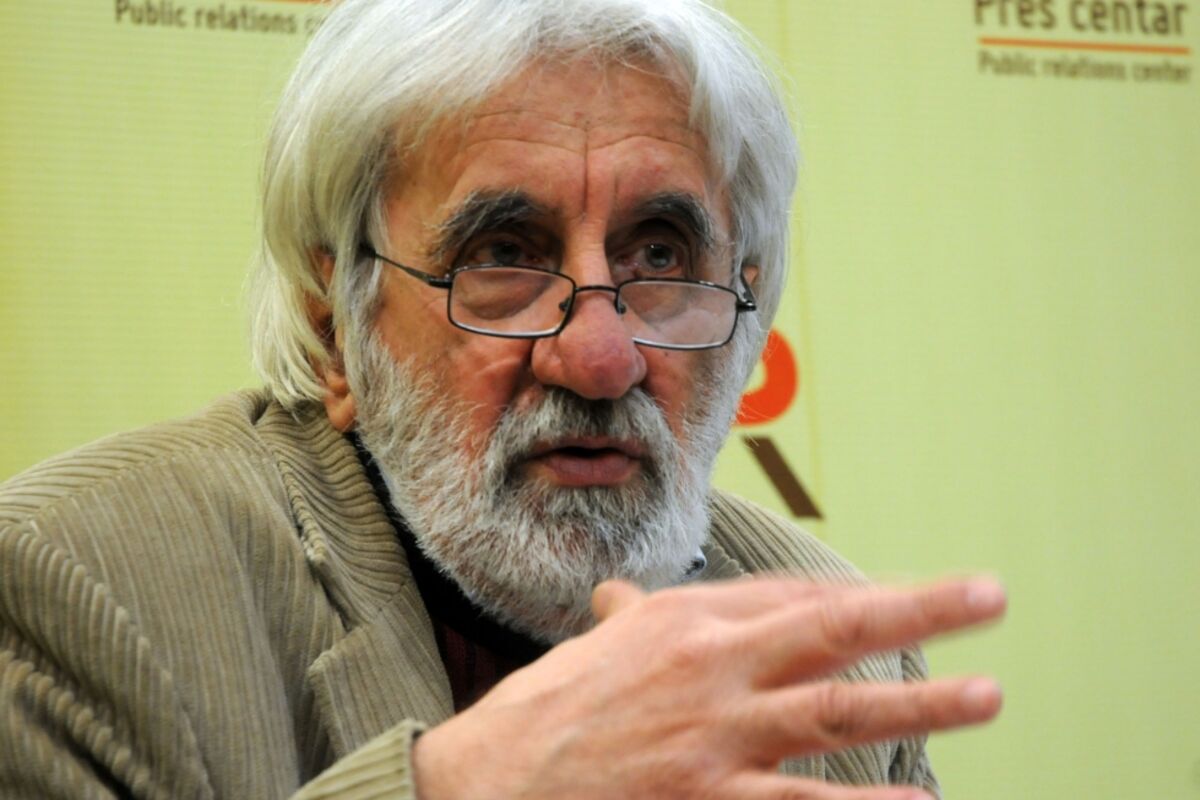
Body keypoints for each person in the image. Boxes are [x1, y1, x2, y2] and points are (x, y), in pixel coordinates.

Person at [0, 0, 1005, 798]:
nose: (600, 357)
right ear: (335, 329)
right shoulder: (74, 585)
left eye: (660, 255)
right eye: (503, 254)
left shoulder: (838, 663)